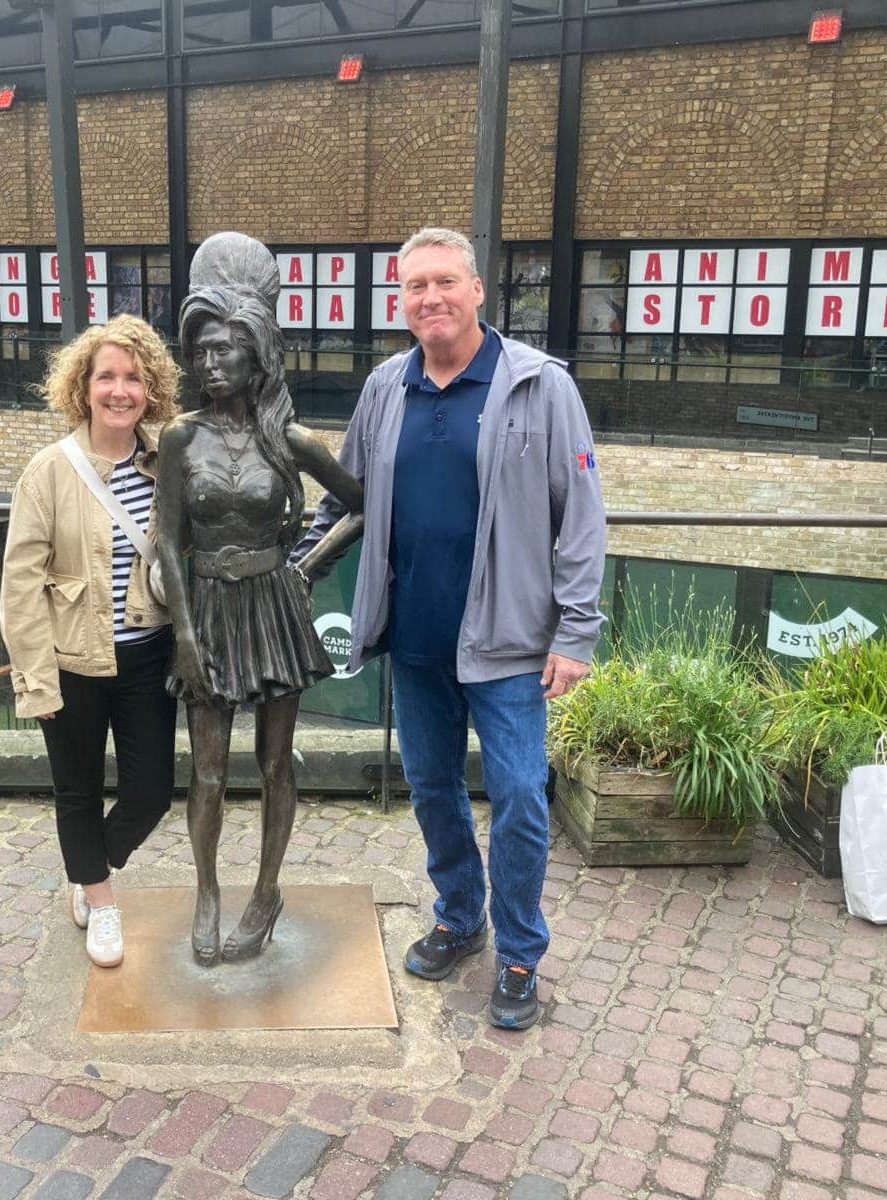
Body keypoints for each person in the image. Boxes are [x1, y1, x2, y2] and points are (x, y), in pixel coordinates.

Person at [295, 227, 607, 1030]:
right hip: (416, 637)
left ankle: (520, 953)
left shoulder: (540, 385)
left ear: (476, 290)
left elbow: (581, 519)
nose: (430, 297)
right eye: (415, 286)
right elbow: (344, 496)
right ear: (402, 301)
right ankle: (460, 917)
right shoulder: (385, 387)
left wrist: (575, 633)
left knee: (520, 799)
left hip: (510, 642)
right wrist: (300, 562)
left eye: (444, 281)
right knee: (433, 789)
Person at [155, 232, 364, 967]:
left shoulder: (291, 440)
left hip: (275, 607)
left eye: (225, 350)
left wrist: (308, 565)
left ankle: (267, 890)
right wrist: (184, 635)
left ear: (256, 355)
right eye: (201, 351)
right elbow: (167, 541)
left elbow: (362, 503)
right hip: (208, 610)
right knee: (208, 770)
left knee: (276, 764)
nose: (210, 364)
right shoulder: (180, 440)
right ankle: (207, 892)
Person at [0, 314, 182, 968]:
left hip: (148, 656)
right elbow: (21, 585)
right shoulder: (48, 472)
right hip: (72, 661)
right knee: (76, 790)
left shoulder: (167, 464)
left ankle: (89, 866)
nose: (119, 390)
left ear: (150, 389)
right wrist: (36, 680)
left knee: (151, 792)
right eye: (107, 376)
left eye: (133, 377)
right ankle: (101, 902)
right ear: (83, 386)